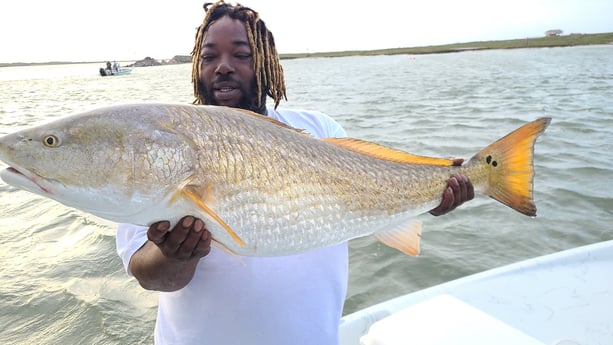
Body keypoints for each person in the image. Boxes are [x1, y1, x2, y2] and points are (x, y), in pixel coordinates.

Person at [115, 2, 474, 344]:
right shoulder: (160, 144)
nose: (222, 66)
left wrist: (430, 193)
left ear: (266, 61)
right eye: (209, 56)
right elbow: (150, 275)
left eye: (241, 54)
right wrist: (176, 254)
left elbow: (379, 189)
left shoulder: (319, 129)